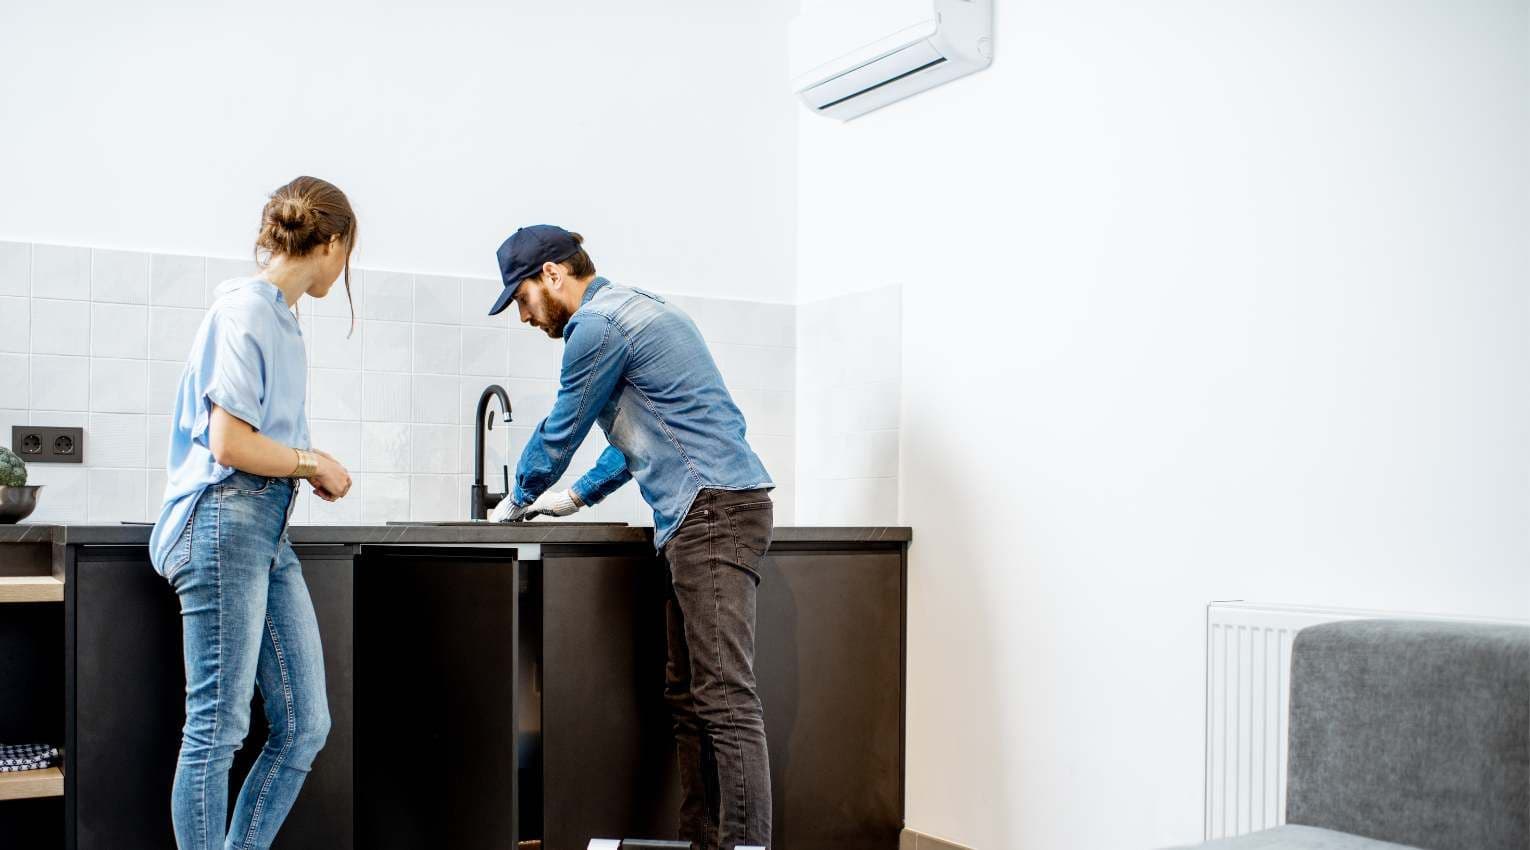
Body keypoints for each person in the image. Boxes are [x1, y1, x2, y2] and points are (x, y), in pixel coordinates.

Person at [488, 225, 776, 850]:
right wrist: (579, 495)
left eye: (521, 297)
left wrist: (517, 499)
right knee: (691, 696)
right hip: (702, 513)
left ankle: (746, 848)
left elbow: (563, 426)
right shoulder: (643, 310)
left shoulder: (598, 327)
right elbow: (659, 431)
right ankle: (704, 840)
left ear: (554, 276)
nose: (523, 315)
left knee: (725, 698)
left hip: (712, 513)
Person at [147, 176, 356, 850]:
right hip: (221, 519)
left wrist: (296, 464)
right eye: (348, 252)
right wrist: (309, 461)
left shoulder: (281, 318)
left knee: (305, 725)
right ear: (330, 242)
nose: (346, 268)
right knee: (218, 726)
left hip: (262, 527)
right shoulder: (243, 311)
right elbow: (230, 442)